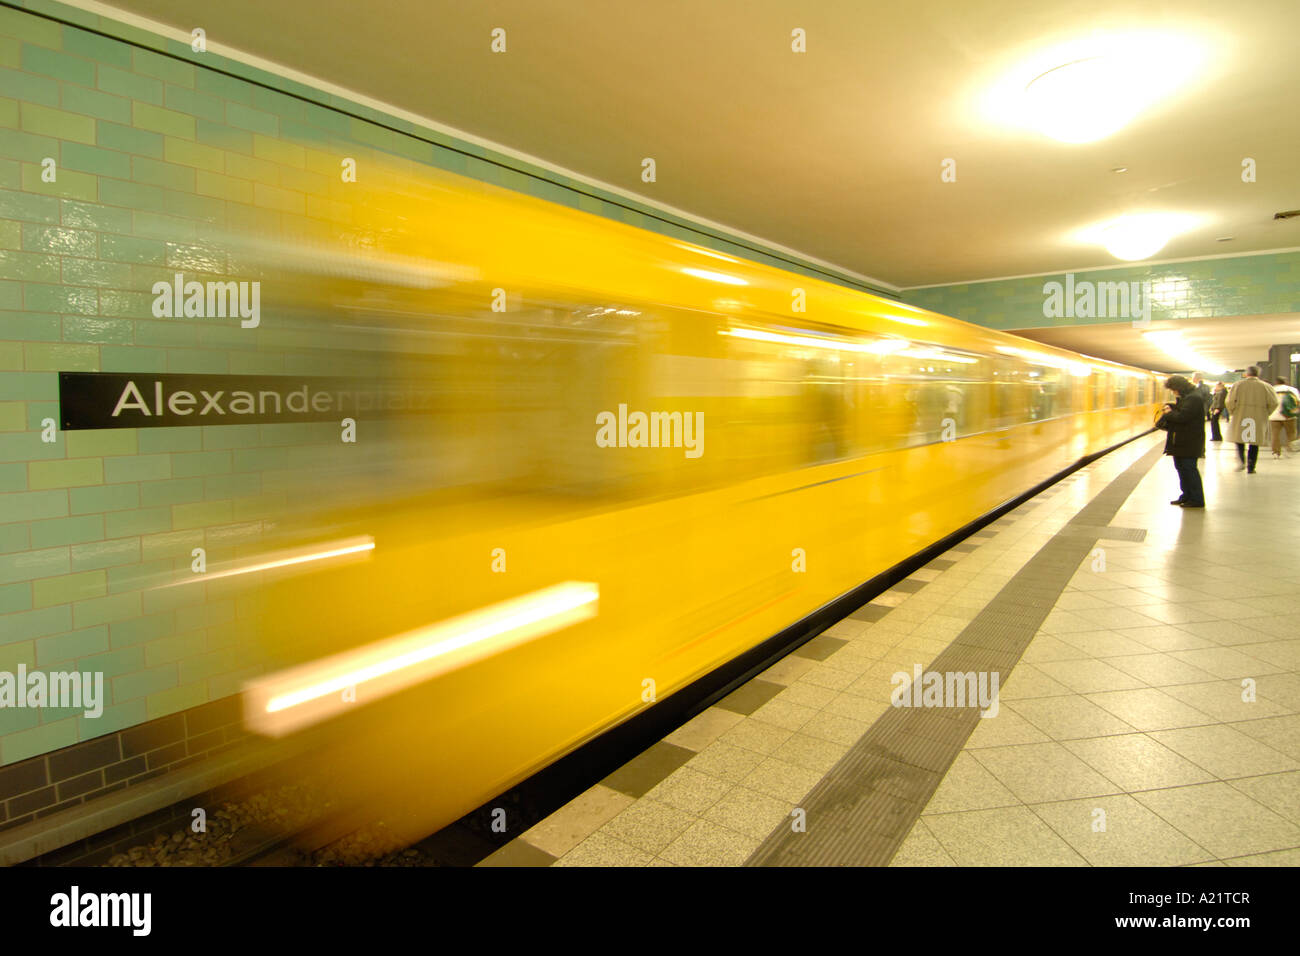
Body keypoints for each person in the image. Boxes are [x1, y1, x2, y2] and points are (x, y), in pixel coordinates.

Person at [1157, 375, 1206, 507]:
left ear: (1179, 387)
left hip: (1189, 440)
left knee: (1189, 469)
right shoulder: (1188, 397)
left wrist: (1168, 412)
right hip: (1182, 440)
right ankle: (1186, 495)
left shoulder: (1194, 398)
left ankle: (1196, 499)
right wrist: (1173, 406)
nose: (1174, 392)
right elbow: (1183, 411)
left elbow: (1183, 417)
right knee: (1182, 468)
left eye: (1174, 390)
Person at [1226, 367, 1277, 473]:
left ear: (1246, 374)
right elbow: (1274, 402)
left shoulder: (1238, 385)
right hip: (1258, 416)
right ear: (1258, 374)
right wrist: (1266, 412)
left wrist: (1233, 412)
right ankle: (1251, 466)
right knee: (1254, 441)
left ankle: (1241, 461)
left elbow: (1229, 401)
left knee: (1239, 439)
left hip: (1241, 414)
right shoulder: (1266, 386)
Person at [1270, 377, 1299, 458]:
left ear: (1276, 382)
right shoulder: (1292, 390)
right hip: (1289, 416)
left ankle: (1276, 452)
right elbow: (1297, 402)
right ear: (1285, 382)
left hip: (1274, 416)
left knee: (1275, 435)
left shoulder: (1272, 389)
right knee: (1291, 434)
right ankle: (1289, 450)